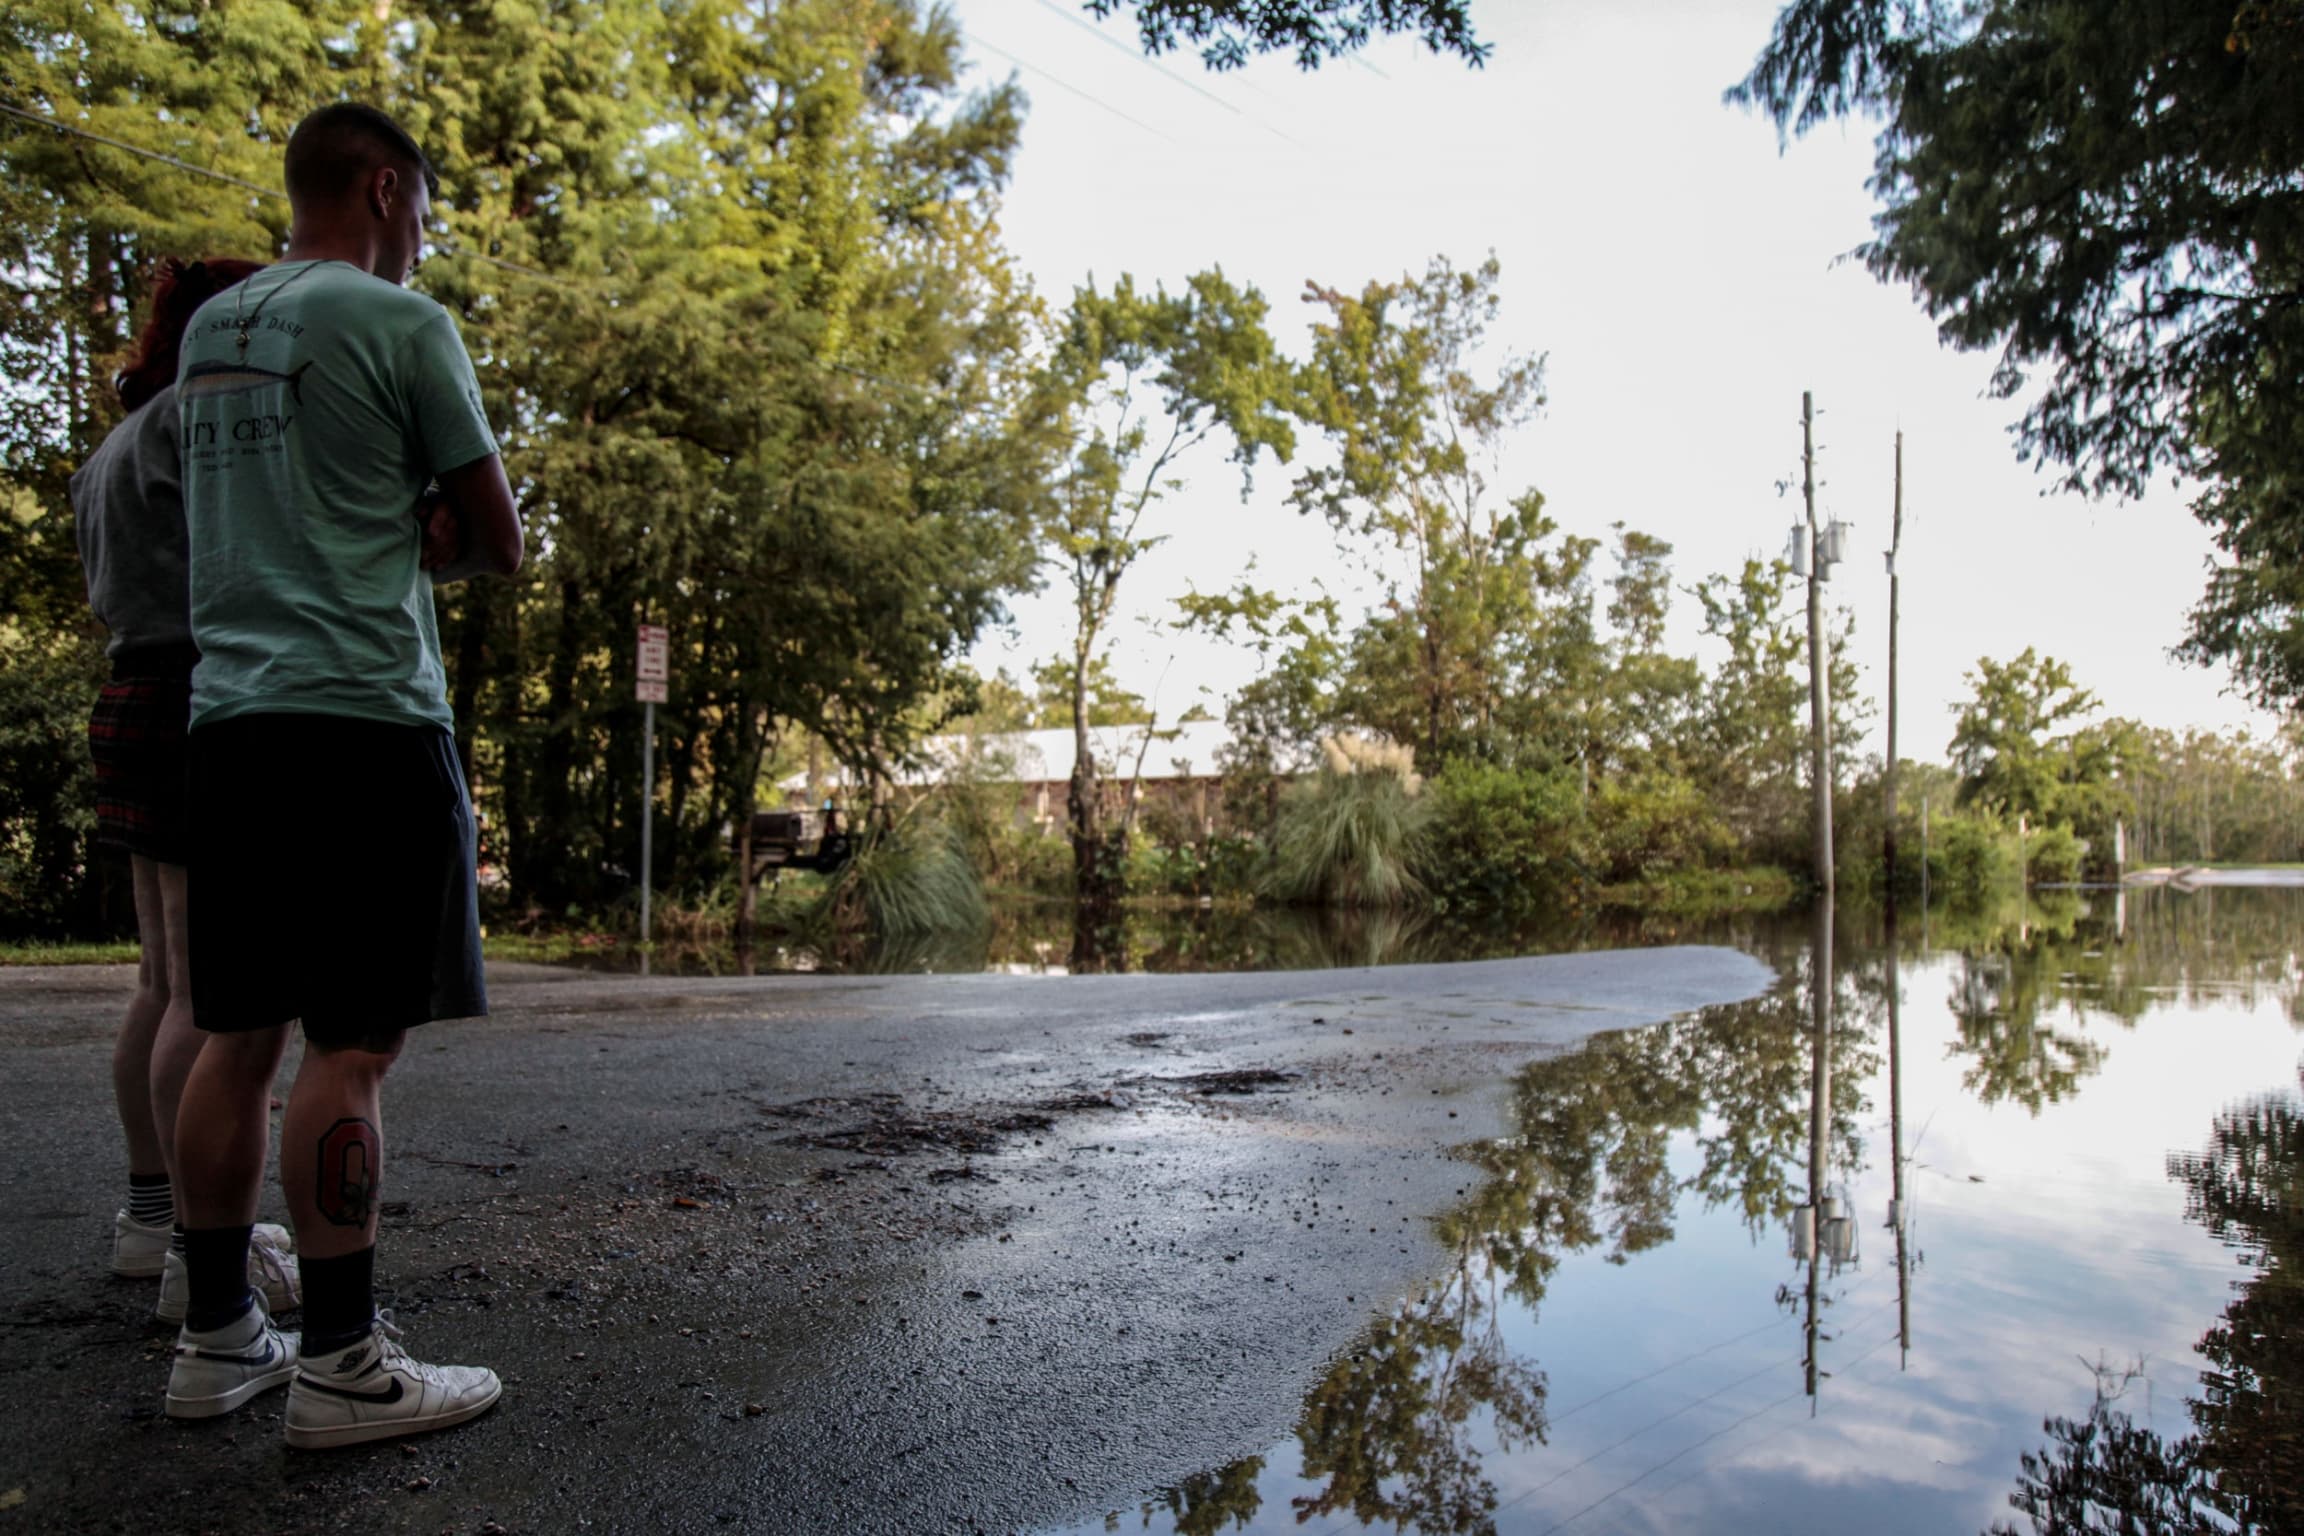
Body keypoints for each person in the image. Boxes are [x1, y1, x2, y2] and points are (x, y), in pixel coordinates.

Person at [162, 102, 523, 1448]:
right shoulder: (400, 325)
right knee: (352, 1049)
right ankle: (342, 1365)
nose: (418, 242)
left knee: (235, 1034)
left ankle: (214, 1343)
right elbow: (501, 540)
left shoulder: (212, 331)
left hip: (232, 722)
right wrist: (430, 537)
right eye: (419, 216)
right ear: (383, 191)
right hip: (365, 722)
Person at [70, 256, 302, 1326]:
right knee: (210, 999)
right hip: (195, 687)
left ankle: (148, 1216)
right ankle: (194, 1255)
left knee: (161, 980)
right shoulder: (189, 427)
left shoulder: (108, 450)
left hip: (128, 688)